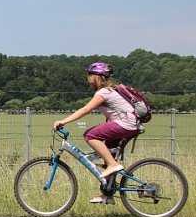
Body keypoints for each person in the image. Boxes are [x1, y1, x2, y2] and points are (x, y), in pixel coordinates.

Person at [53, 62, 142, 203]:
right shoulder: (109, 90)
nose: (88, 79)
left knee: (90, 135)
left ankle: (113, 165)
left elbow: (85, 110)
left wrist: (63, 121)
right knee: (109, 155)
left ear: (97, 77)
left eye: (90, 75)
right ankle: (107, 194)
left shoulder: (103, 92)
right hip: (128, 125)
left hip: (126, 125)